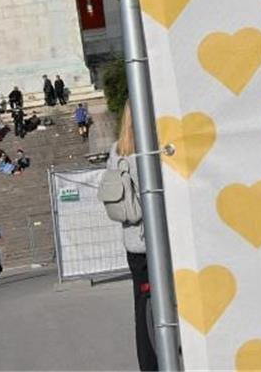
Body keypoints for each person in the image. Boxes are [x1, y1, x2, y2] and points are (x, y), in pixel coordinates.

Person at [106, 102, 158, 371]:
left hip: (133, 245)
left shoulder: (117, 151)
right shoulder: (149, 151)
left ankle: (148, 365)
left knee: (142, 309)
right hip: (158, 244)